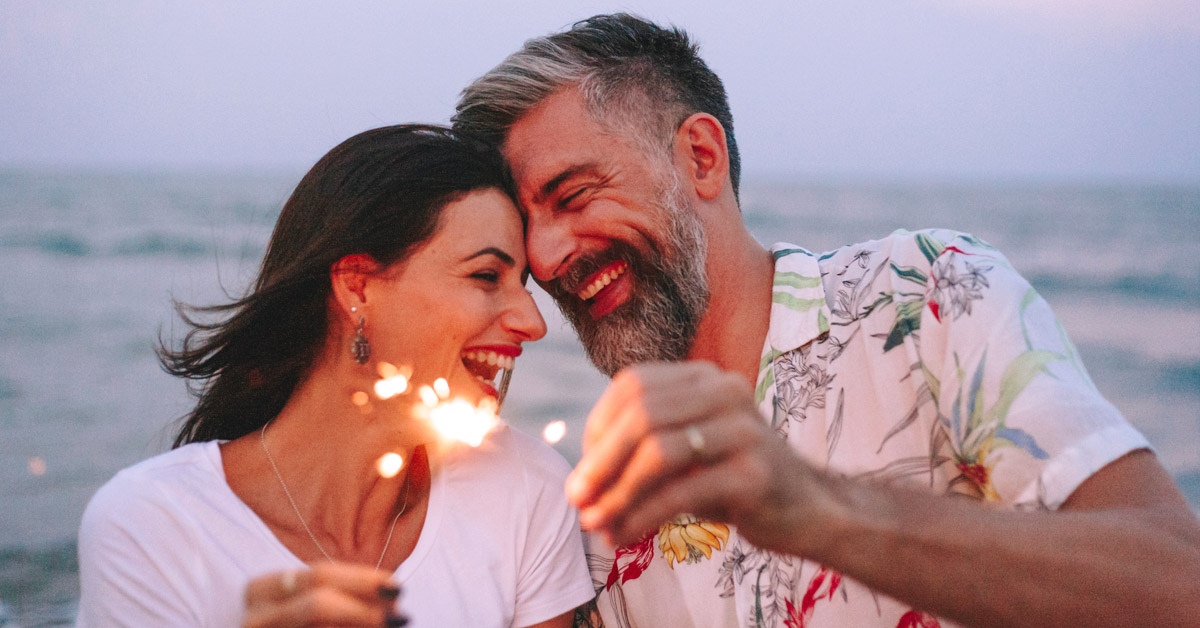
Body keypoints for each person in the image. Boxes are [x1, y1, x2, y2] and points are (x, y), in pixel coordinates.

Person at [453, 14, 1200, 628]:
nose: (546, 260)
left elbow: (1179, 581)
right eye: (527, 228)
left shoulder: (926, 300)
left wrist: (816, 509)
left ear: (702, 158)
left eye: (575, 195)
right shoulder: (608, 509)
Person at [76, 125, 595, 628]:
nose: (532, 322)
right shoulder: (152, 525)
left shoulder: (525, 490)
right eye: (486, 276)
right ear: (357, 287)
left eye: (523, 284)